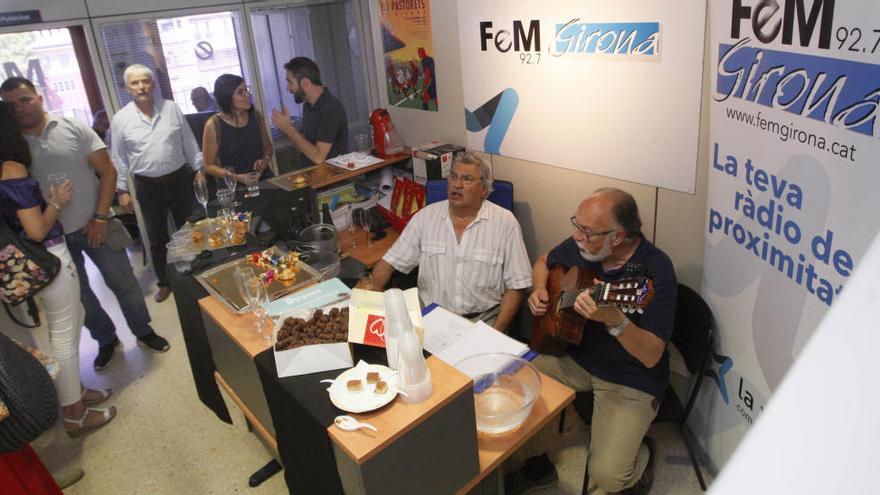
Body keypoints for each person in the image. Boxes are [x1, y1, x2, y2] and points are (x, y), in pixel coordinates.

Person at [506, 188, 677, 495]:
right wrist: (538, 290)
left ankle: (643, 456)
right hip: (574, 357)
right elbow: (544, 261)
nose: (576, 236)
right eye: (576, 225)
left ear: (618, 237)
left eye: (586, 231)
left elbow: (652, 356)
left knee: (609, 476)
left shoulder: (655, 272)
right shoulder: (582, 248)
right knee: (510, 387)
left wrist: (616, 320)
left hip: (630, 377)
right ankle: (539, 467)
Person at [1, 77, 171, 371]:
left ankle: (144, 331)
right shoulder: (11, 146)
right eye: (11, 104)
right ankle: (106, 339)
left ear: (39, 98)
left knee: (124, 284)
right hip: (53, 241)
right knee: (82, 297)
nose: (20, 108)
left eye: (25, 99)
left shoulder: (72, 127)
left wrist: (101, 217)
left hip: (96, 225)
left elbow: (107, 172)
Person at [0, 102, 116, 437]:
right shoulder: (11, 168)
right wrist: (56, 202)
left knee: (70, 321)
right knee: (64, 337)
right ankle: (75, 415)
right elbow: (36, 230)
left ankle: (76, 393)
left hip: (24, 264)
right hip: (48, 256)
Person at [369, 152, 531, 332]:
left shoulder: (505, 223)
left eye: (467, 179)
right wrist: (371, 296)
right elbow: (389, 262)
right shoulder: (425, 218)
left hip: (483, 321)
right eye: (453, 177)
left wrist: (496, 333)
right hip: (431, 318)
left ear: (484, 189)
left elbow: (517, 286)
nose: (457, 184)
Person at [109, 64, 205, 303]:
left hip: (179, 179)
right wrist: (122, 190)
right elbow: (119, 158)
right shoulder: (121, 119)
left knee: (190, 228)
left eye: (145, 81)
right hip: (147, 185)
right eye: (135, 83)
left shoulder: (171, 108)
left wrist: (199, 169)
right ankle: (165, 282)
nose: (141, 86)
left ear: (153, 84)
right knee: (157, 237)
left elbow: (189, 141)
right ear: (126, 88)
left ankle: (198, 271)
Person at [271, 57, 348, 165]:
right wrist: (286, 128)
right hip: (313, 176)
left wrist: (288, 128)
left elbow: (318, 158)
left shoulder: (330, 108)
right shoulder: (308, 106)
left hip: (335, 179)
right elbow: (304, 148)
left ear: (305, 83)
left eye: (290, 82)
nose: (288, 88)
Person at [202, 74, 273, 184]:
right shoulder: (213, 125)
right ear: (227, 97)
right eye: (241, 92)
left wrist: (264, 161)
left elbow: (268, 147)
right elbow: (209, 165)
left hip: (262, 179)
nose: (247, 94)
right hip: (234, 186)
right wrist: (236, 177)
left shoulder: (256, 116)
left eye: (246, 90)